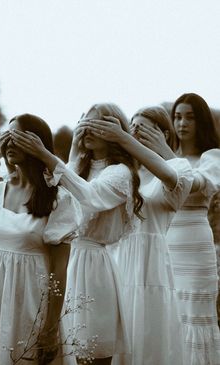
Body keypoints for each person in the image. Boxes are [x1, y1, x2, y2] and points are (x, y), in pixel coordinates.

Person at [11, 103, 193, 365]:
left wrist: (47, 155)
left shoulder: (119, 173)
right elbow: (60, 202)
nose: (88, 128)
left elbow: (91, 197)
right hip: (65, 263)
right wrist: (73, 152)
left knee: (91, 351)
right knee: (60, 350)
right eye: (84, 121)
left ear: (115, 129)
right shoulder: (79, 168)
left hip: (95, 267)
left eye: (97, 123)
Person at [78, 106, 196, 365]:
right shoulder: (121, 170)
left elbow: (170, 177)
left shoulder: (177, 167)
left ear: (163, 133)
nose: (131, 133)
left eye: (141, 129)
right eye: (130, 127)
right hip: (114, 257)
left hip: (150, 263)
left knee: (148, 331)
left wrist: (123, 138)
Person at [0, 113, 82, 365]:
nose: (9, 144)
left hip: (30, 296)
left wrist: (50, 327)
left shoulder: (58, 198)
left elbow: (60, 269)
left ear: (37, 144)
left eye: (18, 138)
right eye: (6, 137)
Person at [133, 94, 220, 364]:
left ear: (202, 122)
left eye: (190, 117)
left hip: (195, 247)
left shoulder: (212, 157)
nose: (182, 123)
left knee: (193, 315)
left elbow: (191, 183)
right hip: (164, 244)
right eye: (178, 117)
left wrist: (163, 151)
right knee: (166, 315)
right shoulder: (156, 162)